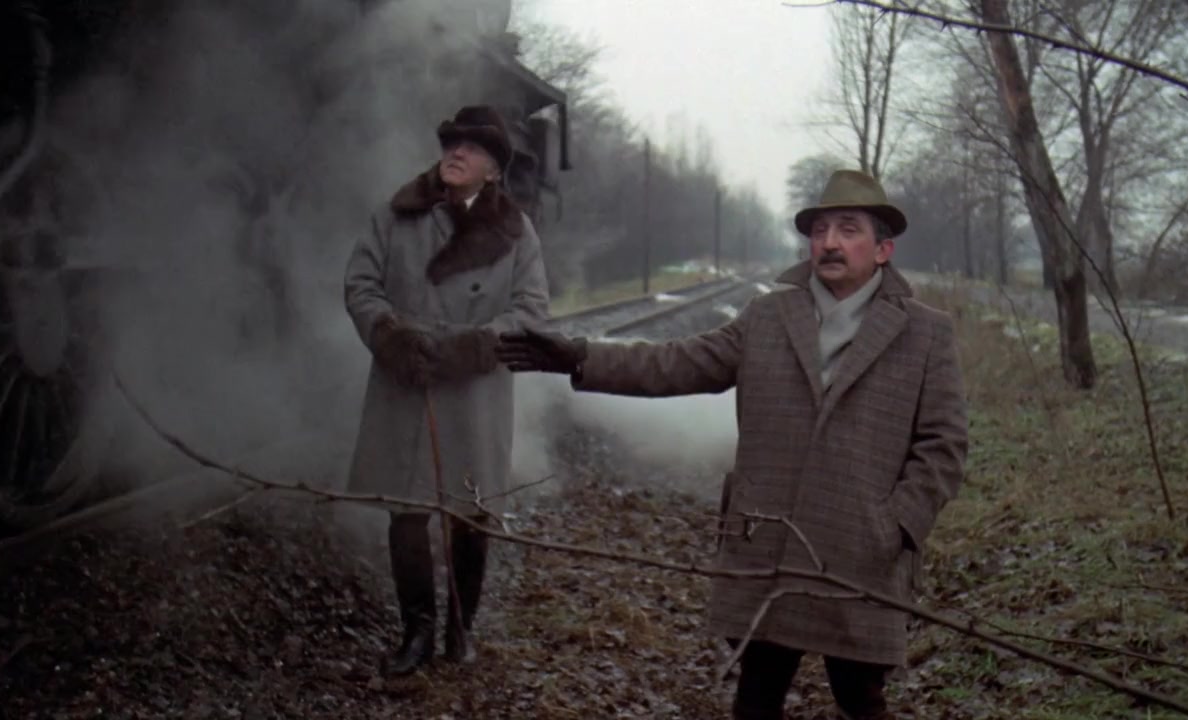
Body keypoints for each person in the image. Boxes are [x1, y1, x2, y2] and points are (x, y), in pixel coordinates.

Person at [496, 169, 967, 720]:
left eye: (848, 229)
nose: (829, 243)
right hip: (768, 544)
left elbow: (944, 444)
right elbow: (678, 361)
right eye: (819, 230)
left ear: (883, 249)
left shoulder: (924, 333)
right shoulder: (769, 315)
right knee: (756, 700)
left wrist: (894, 527)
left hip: (859, 555)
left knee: (861, 701)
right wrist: (579, 356)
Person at [343, 105, 549, 677]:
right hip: (404, 379)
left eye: (473, 147)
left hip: (474, 389)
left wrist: (477, 345)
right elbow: (360, 284)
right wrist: (388, 334)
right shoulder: (397, 213)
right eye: (452, 143)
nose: (457, 152)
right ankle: (417, 632)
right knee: (406, 511)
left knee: (470, 511)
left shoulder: (516, 231)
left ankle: (461, 628)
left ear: (495, 169)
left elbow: (532, 309)